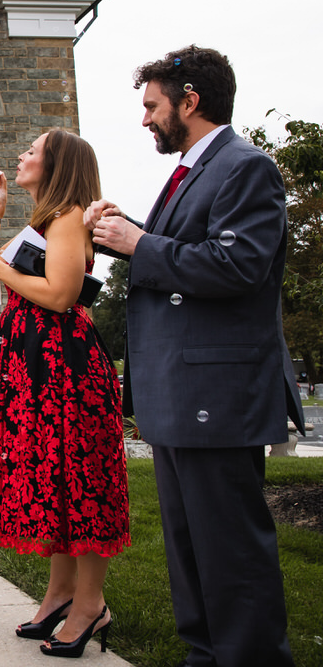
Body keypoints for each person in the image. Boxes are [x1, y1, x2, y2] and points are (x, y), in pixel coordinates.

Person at [86, 46, 304, 667]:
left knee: (230, 550)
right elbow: (181, 250)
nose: (146, 119)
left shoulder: (245, 167)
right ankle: (204, 654)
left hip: (217, 395)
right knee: (189, 547)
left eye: (153, 106)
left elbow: (238, 265)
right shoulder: (191, 171)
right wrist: (125, 232)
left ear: (190, 101)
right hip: (182, 393)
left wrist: (139, 242)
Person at [0, 129, 129, 657]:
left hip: (64, 367)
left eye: (32, 151)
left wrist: (2, 271)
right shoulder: (45, 219)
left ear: (57, 164)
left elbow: (60, 296)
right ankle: (60, 594)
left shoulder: (68, 217)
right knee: (54, 477)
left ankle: (90, 604)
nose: (21, 155)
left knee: (78, 479)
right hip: (34, 362)